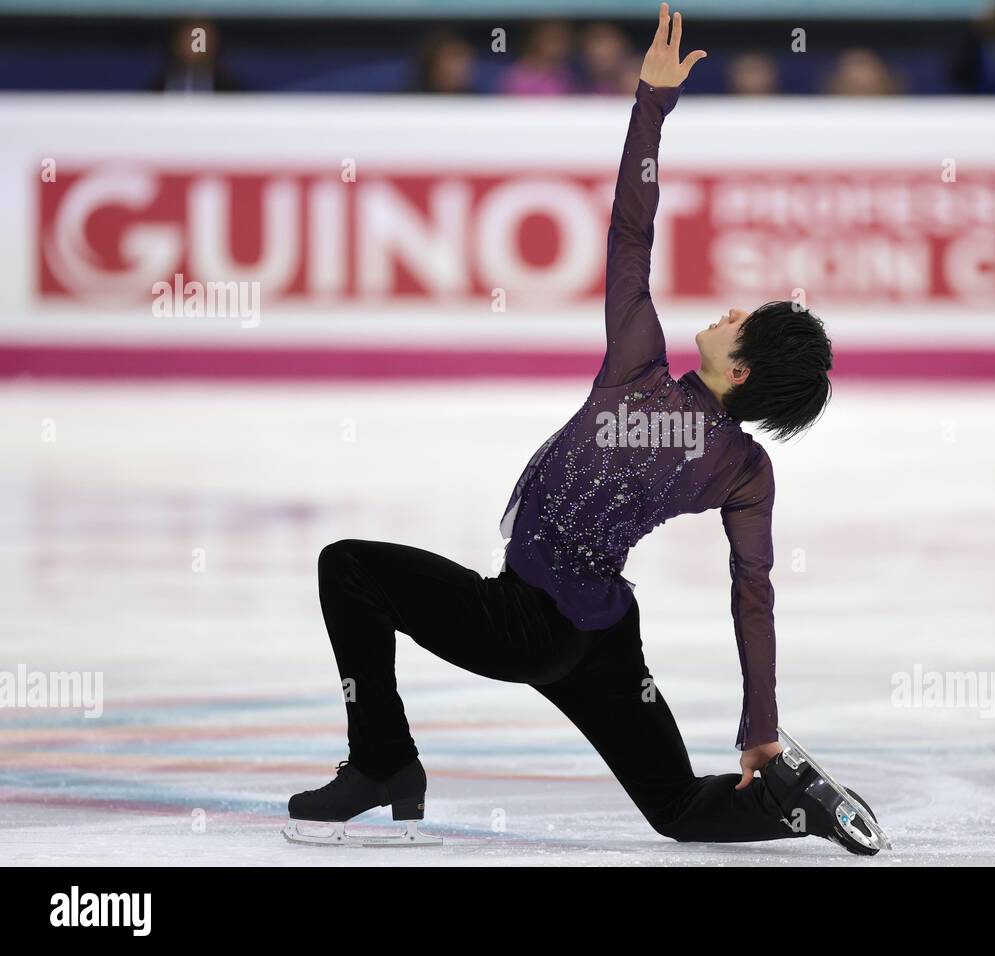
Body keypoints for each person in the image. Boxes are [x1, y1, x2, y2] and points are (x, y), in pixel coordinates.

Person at [286, 4, 876, 855]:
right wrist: (761, 728)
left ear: (739, 369)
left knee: (347, 570)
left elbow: (631, 224)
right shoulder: (744, 470)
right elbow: (754, 597)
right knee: (676, 808)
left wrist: (652, 105)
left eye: (745, 321)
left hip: (522, 623)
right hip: (601, 642)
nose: (732, 311)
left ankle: (382, 762)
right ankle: (791, 809)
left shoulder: (636, 364)